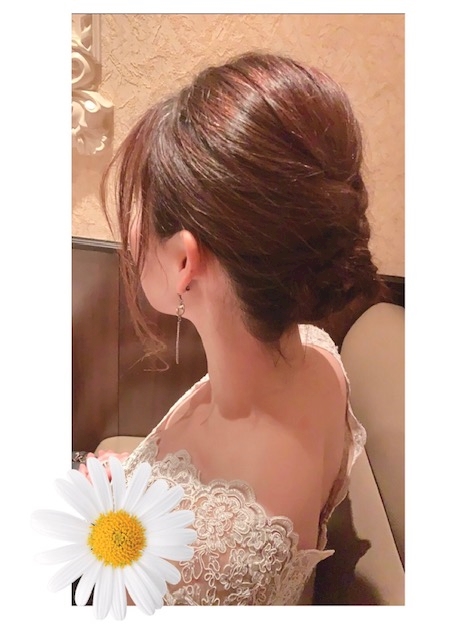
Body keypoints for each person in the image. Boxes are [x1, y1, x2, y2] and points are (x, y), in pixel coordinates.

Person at [101, 51, 382, 605]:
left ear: (184, 261)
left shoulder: (208, 557)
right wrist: (131, 478)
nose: (128, 234)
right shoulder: (316, 356)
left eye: (139, 211)